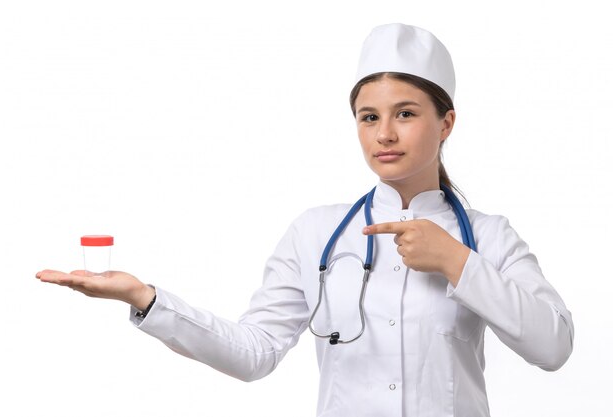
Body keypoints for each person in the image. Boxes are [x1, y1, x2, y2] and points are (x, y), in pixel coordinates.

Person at [36, 23, 574, 417]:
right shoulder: (317, 233)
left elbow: (554, 347)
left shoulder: (489, 237)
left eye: (405, 113)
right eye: (369, 117)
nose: (384, 133)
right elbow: (254, 353)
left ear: (446, 122)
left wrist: (456, 262)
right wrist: (145, 298)